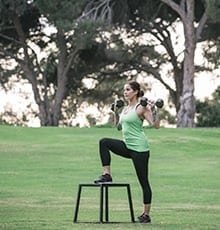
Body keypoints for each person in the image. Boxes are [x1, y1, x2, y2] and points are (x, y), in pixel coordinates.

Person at [94, 80, 160, 223]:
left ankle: (146, 215)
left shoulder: (141, 107)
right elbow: (118, 127)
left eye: (128, 90)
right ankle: (107, 175)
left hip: (140, 149)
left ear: (136, 92)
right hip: (127, 146)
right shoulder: (125, 109)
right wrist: (116, 112)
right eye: (124, 90)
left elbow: (155, 125)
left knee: (143, 182)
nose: (125, 92)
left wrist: (155, 110)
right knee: (104, 142)